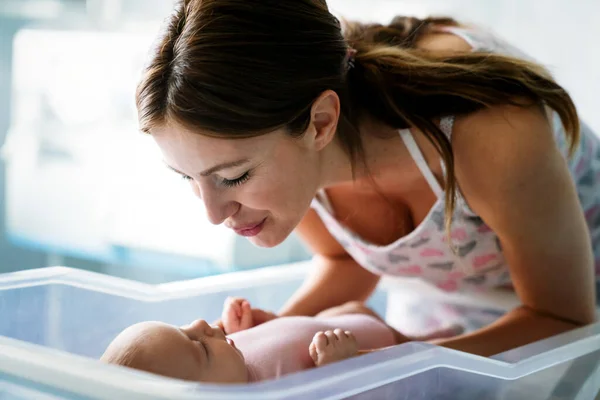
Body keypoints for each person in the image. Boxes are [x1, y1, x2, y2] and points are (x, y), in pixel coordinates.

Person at [134, 0, 598, 357]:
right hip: (442, 311)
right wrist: (278, 333)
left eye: (233, 176)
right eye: (188, 178)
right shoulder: (294, 171)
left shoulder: (490, 131)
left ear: (320, 123)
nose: (213, 214)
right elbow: (348, 260)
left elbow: (560, 316)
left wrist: (394, 360)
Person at [100, 298, 427, 383]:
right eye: (197, 344)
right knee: (437, 353)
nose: (201, 322)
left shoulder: (230, 371)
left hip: (347, 320)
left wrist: (242, 332)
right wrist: (337, 372)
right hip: (395, 359)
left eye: (184, 327)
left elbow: (261, 352)